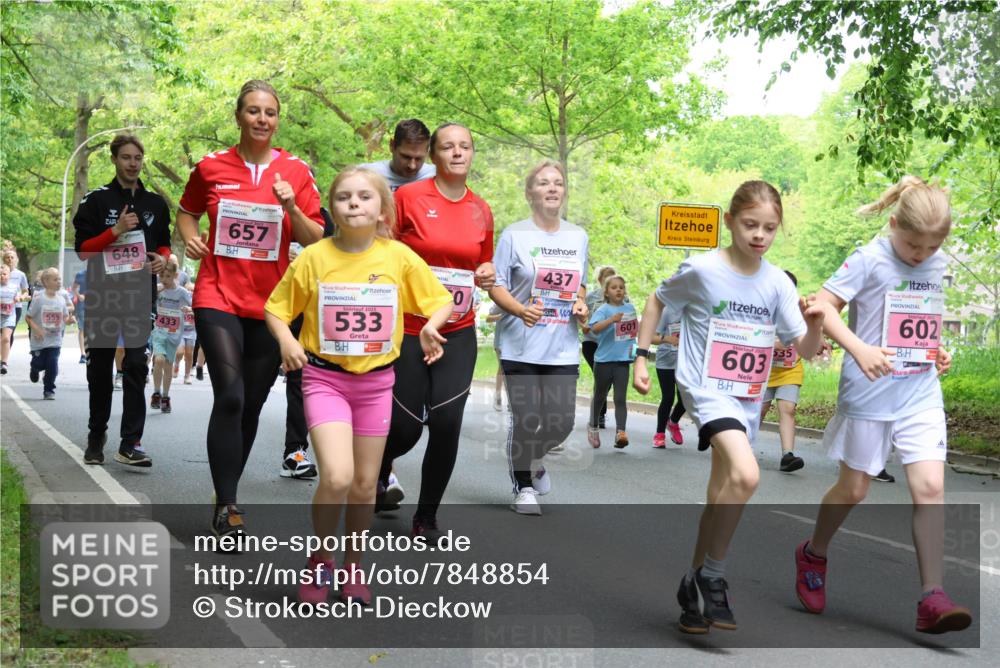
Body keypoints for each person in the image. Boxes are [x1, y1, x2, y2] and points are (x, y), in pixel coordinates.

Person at [633, 180, 825, 634]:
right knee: (747, 474)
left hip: (747, 397)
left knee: (720, 494)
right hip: (706, 389)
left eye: (770, 228)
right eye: (750, 225)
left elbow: (805, 347)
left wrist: (816, 327)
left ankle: (690, 587)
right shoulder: (701, 269)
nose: (760, 235)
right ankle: (714, 577)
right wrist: (641, 357)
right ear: (730, 222)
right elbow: (657, 300)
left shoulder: (777, 282)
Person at [265, 167, 452, 605]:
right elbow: (276, 309)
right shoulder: (313, 258)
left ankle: (354, 565)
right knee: (337, 475)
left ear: (382, 208)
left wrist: (431, 328)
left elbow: (440, 300)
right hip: (324, 379)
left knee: (366, 485)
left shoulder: (398, 257)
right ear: (331, 207)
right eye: (345, 196)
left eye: (365, 197)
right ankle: (321, 559)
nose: (354, 203)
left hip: (376, 383)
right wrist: (288, 339)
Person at [794, 176, 971, 634]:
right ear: (893, 224)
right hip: (870, 389)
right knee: (854, 490)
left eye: (931, 248)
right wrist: (859, 349)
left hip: (919, 390)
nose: (921, 255)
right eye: (913, 244)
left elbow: (917, 319)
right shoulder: (869, 259)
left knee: (930, 488)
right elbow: (824, 307)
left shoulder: (935, 263)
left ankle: (932, 597)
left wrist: (935, 349)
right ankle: (814, 552)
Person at [177, 80, 324, 537]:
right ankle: (229, 504)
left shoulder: (296, 171)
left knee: (253, 404)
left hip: (272, 304)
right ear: (239, 116)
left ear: (278, 120)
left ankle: (226, 491)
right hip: (217, 294)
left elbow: (316, 238)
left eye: (271, 113)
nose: (263, 119)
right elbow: (186, 211)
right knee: (231, 395)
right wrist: (188, 236)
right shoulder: (211, 166)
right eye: (254, 111)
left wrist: (290, 206)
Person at [376, 122, 495, 541]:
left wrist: (486, 272)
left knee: (446, 423)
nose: (457, 153)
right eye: (448, 147)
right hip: (408, 326)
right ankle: (375, 468)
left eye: (465, 146)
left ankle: (426, 517)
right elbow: (380, 253)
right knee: (406, 428)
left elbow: (484, 264)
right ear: (434, 156)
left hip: (457, 330)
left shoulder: (481, 209)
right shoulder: (406, 198)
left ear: (472, 153)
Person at [489, 161, 588, 515]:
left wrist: (580, 303)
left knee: (561, 423)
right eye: (544, 183)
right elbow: (495, 285)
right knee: (528, 419)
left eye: (558, 183)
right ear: (530, 192)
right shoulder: (514, 235)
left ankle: (534, 457)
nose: (552, 188)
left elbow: (581, 284)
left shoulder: (578, 236)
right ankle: (523, 487)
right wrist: (518, 309)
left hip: (562, 346)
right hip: (520, 343)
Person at [74, 133, 172, 467]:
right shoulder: (95, 200)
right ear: (115, 159)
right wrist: (114, 232)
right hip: (103, 295)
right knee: (100, 370)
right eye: (127, 157)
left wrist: (162, 259)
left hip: (139, 296)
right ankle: (95, 434)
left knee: (135, 366)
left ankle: (131, 442)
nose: (133, 163)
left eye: (138, 158)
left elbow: (163, 244)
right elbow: (84, 252)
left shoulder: (155, 204)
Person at [758, 269, 807, 472]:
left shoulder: (799, 310)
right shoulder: (760, 307)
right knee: (758, 411)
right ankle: (737, 447)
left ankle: (788, 455)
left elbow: (810, 332)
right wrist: (771, 343)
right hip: (762, 369)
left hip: (790, 369)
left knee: (788, 409)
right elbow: (748, 333)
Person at [587, 276, 637, 449]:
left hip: (623, 361)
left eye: (621, 287)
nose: (618, 290)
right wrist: (611, 320)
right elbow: (593, 328)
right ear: (606, 292)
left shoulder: (630, 308)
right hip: (604, 361)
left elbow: (633, 331)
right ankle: (593, 426)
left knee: (620, 398)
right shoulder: (604, 309)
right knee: (600, 395)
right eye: (614, 287)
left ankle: (620, 433)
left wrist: (635, 350)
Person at [149, 260, 193, 414]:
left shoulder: (182, 292)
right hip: (159, 331)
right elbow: (146, 303)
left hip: (174, 333)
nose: (164, 280)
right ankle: (156, 392)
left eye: (168, 276)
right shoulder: (158, 290)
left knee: (168, 365)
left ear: (176, 276)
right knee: (159, 359)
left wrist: (188, 309)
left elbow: (194, 306)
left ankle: (166, 397)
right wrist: (154, 292)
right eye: (161, 276)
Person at [25, 267, 73, 399]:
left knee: (52, 364)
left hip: (55, 339)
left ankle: (49, 390)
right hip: (39, 341)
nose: (59, 282)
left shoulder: (62, 299)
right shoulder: (39, 298)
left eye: (59, 279)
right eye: (55, 279)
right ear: (46, 282)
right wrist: (36, 328)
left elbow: (64, 318)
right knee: (40, 364)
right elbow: (28, 317)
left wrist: (69, 320)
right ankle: (34, 368)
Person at [580, 266, 616, 428]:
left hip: (609, 342)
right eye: (606, 278)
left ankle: (599, 414)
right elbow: (582, 315)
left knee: (606, 379)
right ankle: (598, 415)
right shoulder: (591, 296)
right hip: (591, 341)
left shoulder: (621, 298)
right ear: (600, 280)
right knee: (601, 376)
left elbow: (627, 319)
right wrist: (584, 324)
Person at [360, 119, 436, 191]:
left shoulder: (436, 176)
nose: (412, 166)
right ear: (392, 146)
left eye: (418, 158)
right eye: (406, 157)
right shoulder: (366, 174)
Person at [652, 307, 687, 448]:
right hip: (666, 361)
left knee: (686, 398)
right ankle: (659, 434)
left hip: (686, 362)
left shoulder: (695, 310)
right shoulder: (667, 311)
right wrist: (667, 338)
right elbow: (652, 337)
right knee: (668, 397)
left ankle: (672, 422)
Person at [2, 249, 30, 351]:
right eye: (7, 257)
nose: (10, 259)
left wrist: (22, 297)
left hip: (15, 308)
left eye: (12, 257)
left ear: (16, 260)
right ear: (3, 259)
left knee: (9, 332)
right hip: (1, 305)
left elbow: (25, 291)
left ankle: (3, 359)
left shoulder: (21, 274)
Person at [0, 265, 18, 374]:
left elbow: (18, 297)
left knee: (6, 338)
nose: (2, 276)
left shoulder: (14, 287)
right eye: (0, 274)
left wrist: (17, 298)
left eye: (4, 274)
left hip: (9, 316)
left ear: (9, 275)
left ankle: (4, 363)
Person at [71, 267, 88, 363]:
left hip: (98, 306)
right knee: (82, 329)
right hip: (83, 306)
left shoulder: (102, 272)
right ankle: (83, 354)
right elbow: (74, 288)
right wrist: (78, 295)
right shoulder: (80, 273)